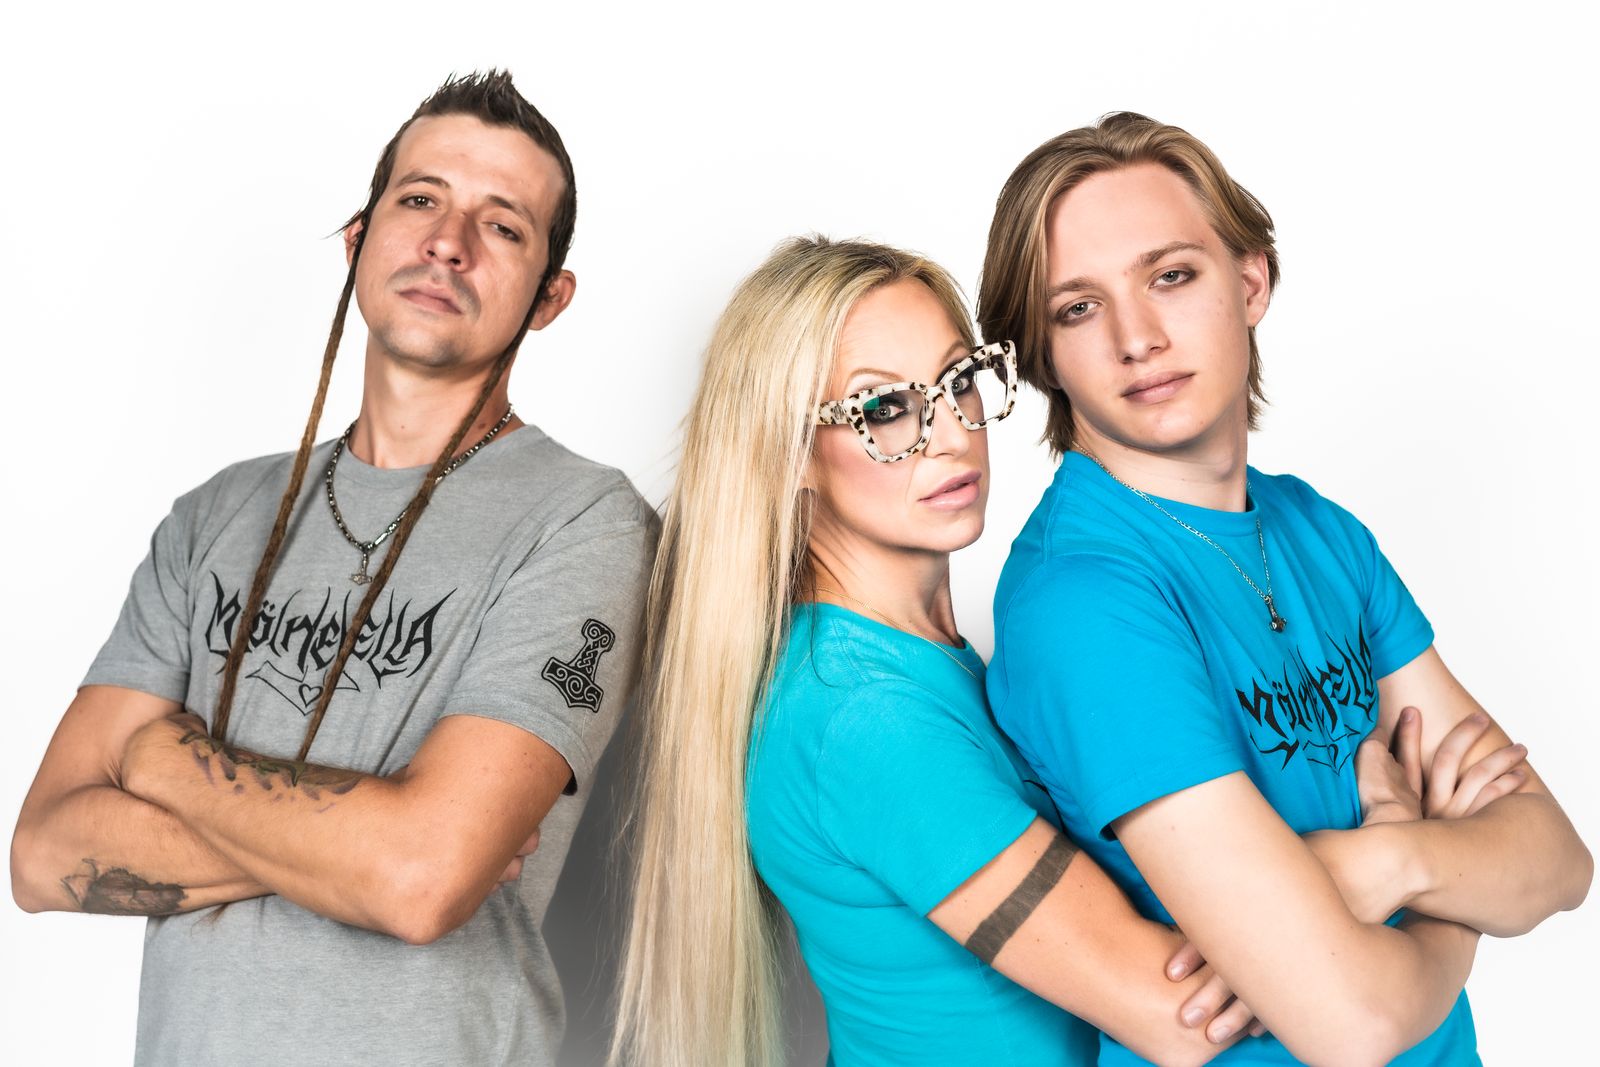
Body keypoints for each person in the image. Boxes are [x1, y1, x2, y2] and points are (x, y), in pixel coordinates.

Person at [606, 236, 1516, 1067]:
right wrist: (1434, 885)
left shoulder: (926, 665)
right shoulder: (859, 714)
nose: (952, 431)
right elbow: (1186, 1013)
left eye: (959, 380)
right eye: (884, 407)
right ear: (790, 451)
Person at [9, 71, 656, 1065]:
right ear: (359, 240)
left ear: (549, 298)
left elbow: (421, 879)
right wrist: (375, 840)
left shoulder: (586, 521)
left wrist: (158, 761)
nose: (449, 242)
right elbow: (43, 853)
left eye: (503, 225)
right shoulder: (215, 516)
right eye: (420, 199)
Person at [980, 112, 1592, 1066]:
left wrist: (1388, 857)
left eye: (1170, 276)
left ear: (1251, 281)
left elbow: (1557, 860)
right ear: (1043, 353)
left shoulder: (1317, 528)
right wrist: (1445, 879)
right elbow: (1351, 1022)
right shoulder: (1081, 600)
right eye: (1078, 308)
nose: (1137, 337)